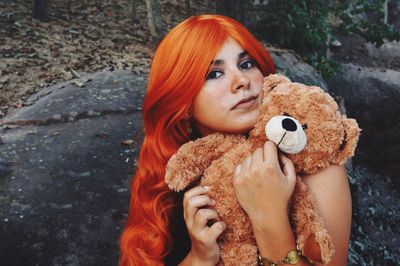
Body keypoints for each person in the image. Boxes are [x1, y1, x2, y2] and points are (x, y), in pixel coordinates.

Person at [119, 15, 352, 266]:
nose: (242, 81)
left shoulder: (314, 166)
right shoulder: (175, 178)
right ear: (182, 103)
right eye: (214, 73)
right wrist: (199, 257)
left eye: (246, 63)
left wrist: (269, 217)